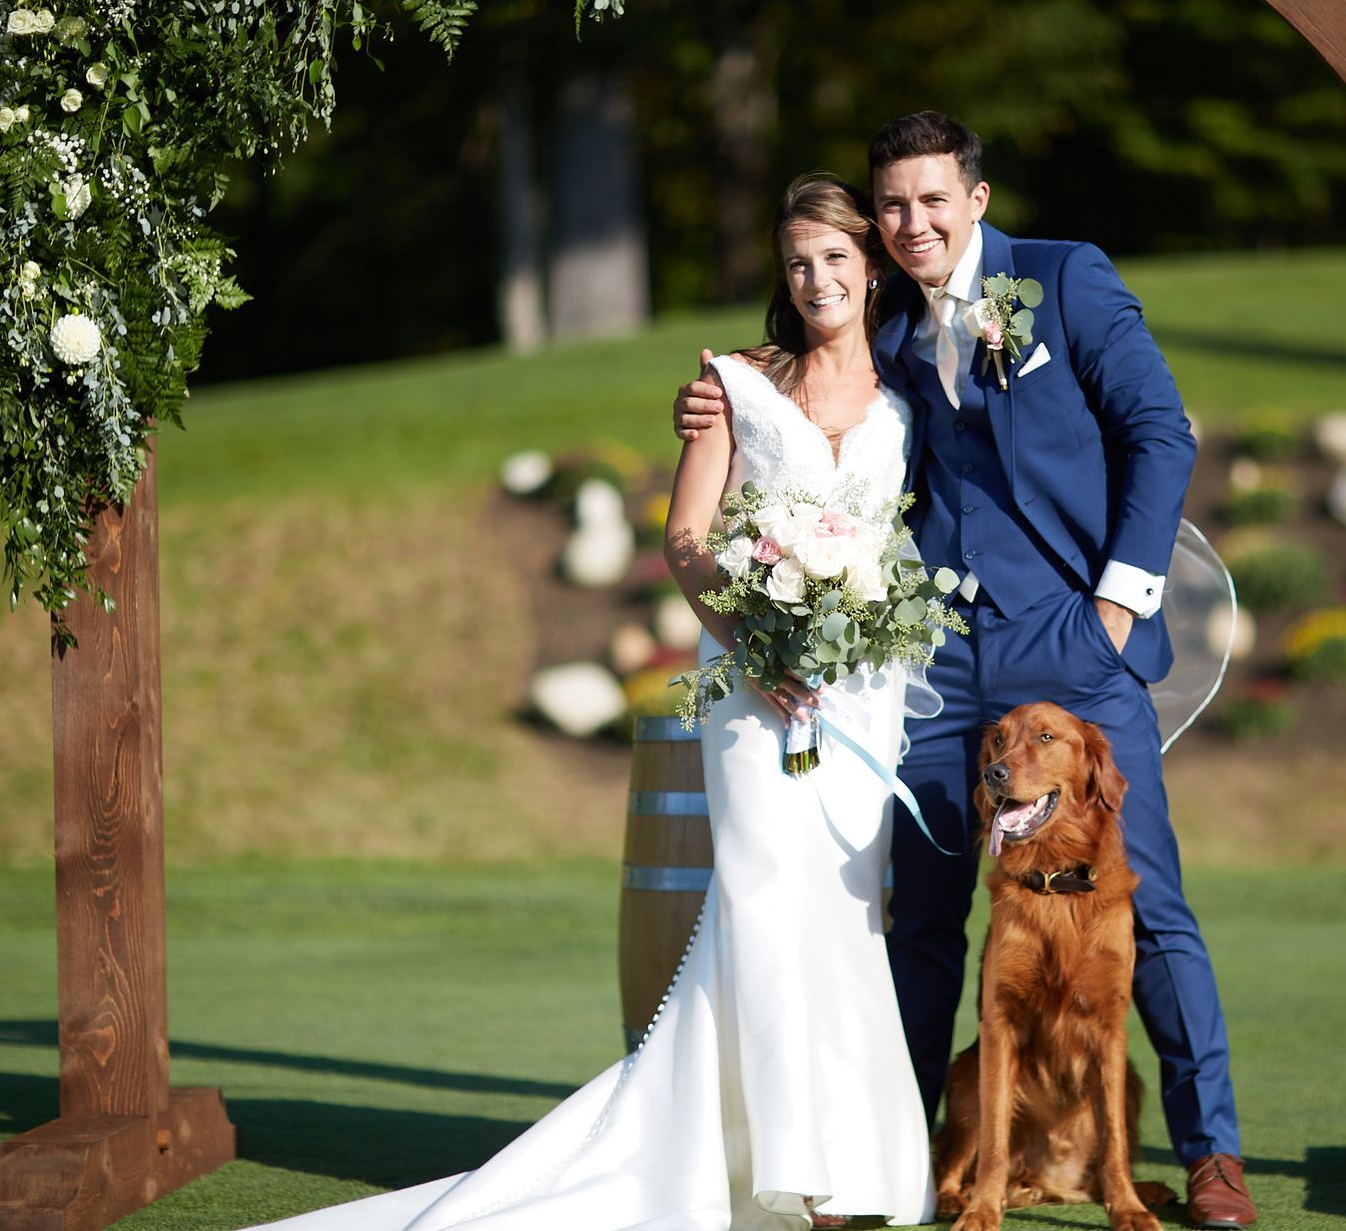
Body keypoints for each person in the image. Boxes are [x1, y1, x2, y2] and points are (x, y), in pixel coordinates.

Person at [247, 175, 933, 1231]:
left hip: (862, 696)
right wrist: (758, 639)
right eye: (798, 261)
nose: (817, 278)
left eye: (835, 258)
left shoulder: (909, 393)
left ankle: (852, 1160)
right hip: (752, 692)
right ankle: (790, 1181)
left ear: (871, 267)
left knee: (845, 913)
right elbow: (687, 537)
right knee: (759, 902)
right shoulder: (735, 386)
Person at [675, 112, 1259, 1230]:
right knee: (925, 909)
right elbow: (809, 362)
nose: (910, 223)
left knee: (1150, 900)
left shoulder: (1065, 280)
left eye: (932, 201)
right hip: (936, 663)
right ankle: (881, 1149)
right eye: (892, 205)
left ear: (976, 199)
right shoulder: (890, 310)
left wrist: (1116, 609)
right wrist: (706, 402)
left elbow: (1160, 432)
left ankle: (1214, 1150)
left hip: (1074, 647)